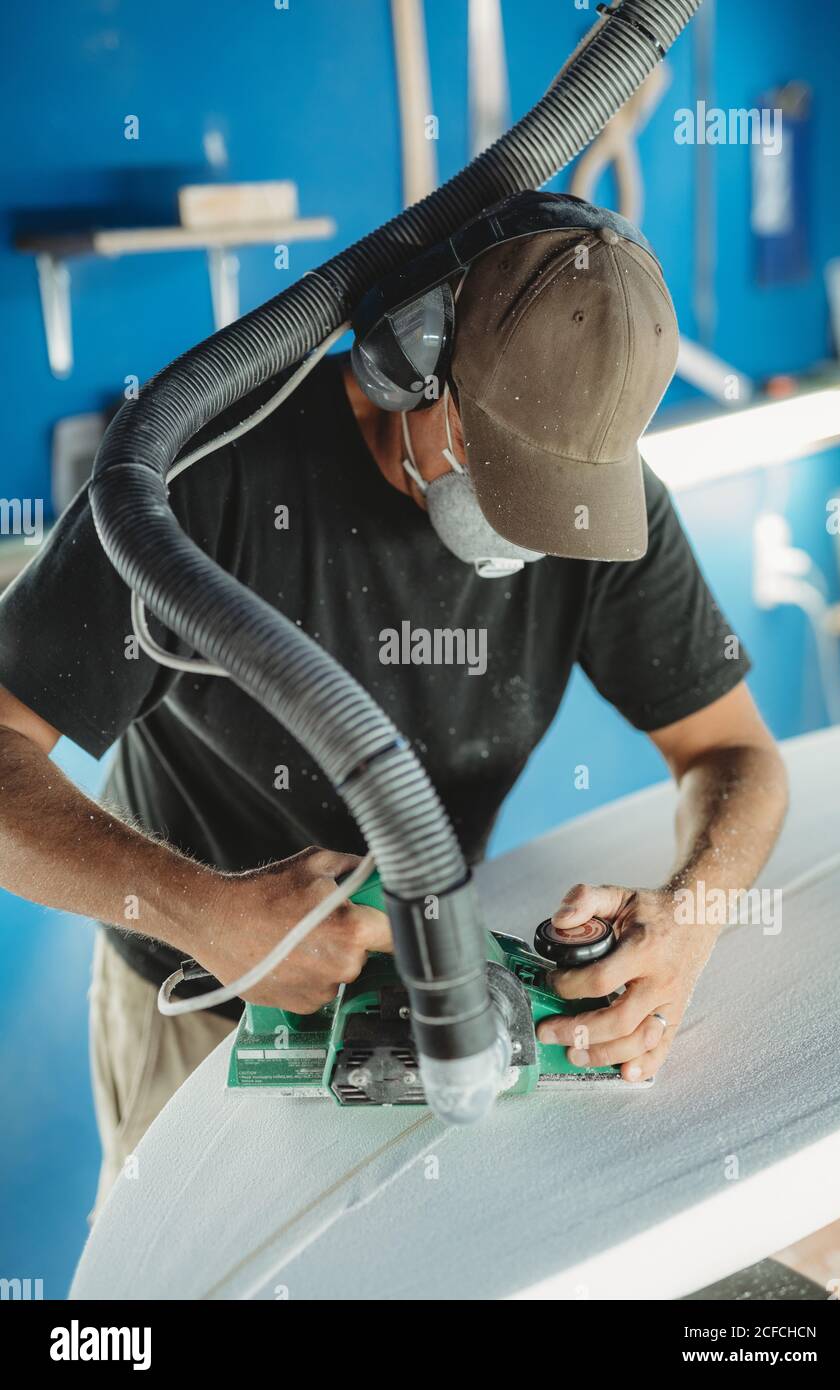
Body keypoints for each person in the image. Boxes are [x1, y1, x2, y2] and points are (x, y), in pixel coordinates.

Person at [0, 200, 787, 1210]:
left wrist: (693, 916)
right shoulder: (201, 473)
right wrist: (206, 915)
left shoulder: (603, 506)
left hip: (429, 998)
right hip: (199, 1001)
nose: (525, 535)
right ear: (412, 359)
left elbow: (735, 752)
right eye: (503, 474)